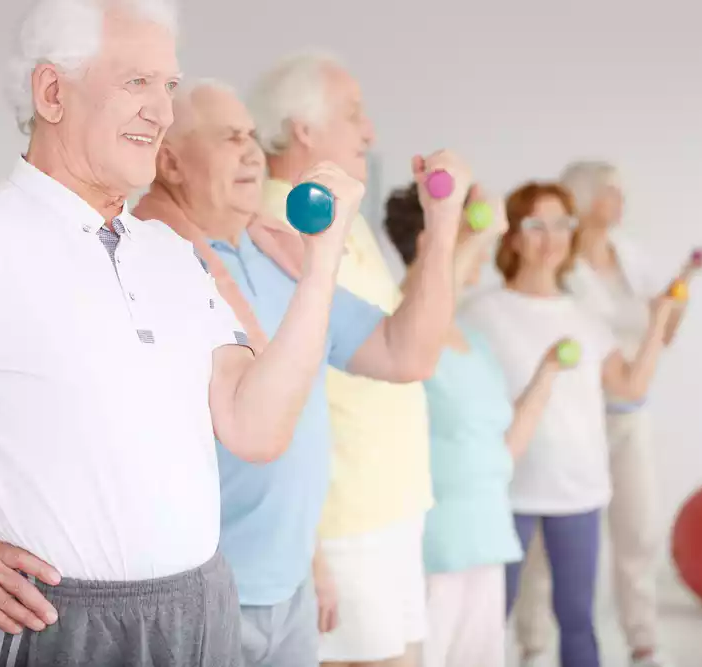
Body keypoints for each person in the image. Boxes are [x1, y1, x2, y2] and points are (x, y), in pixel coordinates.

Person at [0, 2, 370, 664]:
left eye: (169, 86)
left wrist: (321, 266)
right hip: (52, 626)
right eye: (137, 82)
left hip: (202, 614)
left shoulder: (173, 253)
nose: (163, 111)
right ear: (52, 93)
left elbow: (256, 428)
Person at [133, 80, 470, 667]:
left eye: (251, 135)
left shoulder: (275, 251)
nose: (250, 151)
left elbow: (406, 354)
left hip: (289, 586)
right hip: (199, 593)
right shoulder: (145, 260)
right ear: (171, 162)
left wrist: (442, 224)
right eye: (228, 137)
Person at [248, 52, 433, 667]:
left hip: (393, 505)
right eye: (353, 114)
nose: (369, 131)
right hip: (342, 524)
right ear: (302, 127)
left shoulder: (341, 216)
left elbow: (407, 348)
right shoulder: (274, 224)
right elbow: (279, 395)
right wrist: (314, 550)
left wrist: (444, 227)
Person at [461, 181, 679, 667]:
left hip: (578, 488)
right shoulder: (479, 314)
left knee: (577, 618)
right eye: (536, 225)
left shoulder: (585, 315)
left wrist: (659, 323)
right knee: (489, 619)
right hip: (505, 488)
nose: (551, 237)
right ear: (513, 237)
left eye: (562, 224)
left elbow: (629, 387)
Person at [512, 161, 702, 667]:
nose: (620, 200)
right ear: (582, 199)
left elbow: (658, 333)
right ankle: (533, 643)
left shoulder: (630, 257)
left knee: (637, 527)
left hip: (626, 412)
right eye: (609, 191)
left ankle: (643, 640)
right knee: (544, 542)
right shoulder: (560, 268)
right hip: (570, 419)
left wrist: (678, 292)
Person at [382, 182, 577, 667]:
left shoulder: (473, 339)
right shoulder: (397, 324)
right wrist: (476, 229)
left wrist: (547, 372)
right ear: (429, 243)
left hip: (485, 541)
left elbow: (502, 452)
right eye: (464, 236)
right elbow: (423, 299)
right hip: (430, 551)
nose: (484, 252)